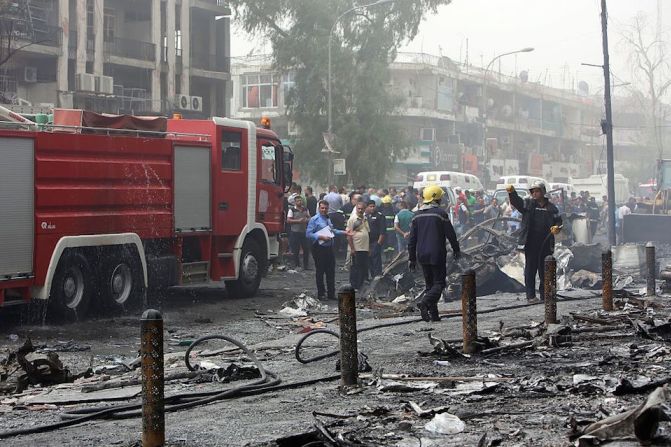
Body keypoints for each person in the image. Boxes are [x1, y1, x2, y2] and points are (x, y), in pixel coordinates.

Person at [408, 185, 461, 322]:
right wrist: (456, 250)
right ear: (436, 198)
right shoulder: (440, 214)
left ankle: (434, 315)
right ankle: (424, 303)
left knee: (430, 285)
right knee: (439, 283)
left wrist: (412, 258)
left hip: (422, 255)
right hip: (437, 253)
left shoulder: (416, 216)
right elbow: (451, 235)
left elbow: (412, 240)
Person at [507, 181, 562, 302]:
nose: (534, 194)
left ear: (543, 192)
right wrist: (512, 193)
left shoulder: (551, 208)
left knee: (545, 270)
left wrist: (557, 227)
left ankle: (545, 294)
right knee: (530, 269)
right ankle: (531, 296)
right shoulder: (528, 204)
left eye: (537, 191)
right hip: (530, 242)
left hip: (546, 243)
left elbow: (559, 221)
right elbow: (517, 202)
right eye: (533, 191)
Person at [306, 200, 349, 300]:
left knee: (331, 271)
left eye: (326, 208)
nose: (324, 210)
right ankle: (321, 293)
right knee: (320, 271)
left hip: (329, 247)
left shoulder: (328, 219)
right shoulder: (314, 219)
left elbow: (332, 231)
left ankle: (331, 293)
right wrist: (320, 237)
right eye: (322, 208)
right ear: (319, 208)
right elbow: (308, 234)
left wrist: (344, 232)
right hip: (319, 248)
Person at [346, 201, 369, 290]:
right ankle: (354, 285)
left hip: (365, 247)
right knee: (355, 267)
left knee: (363, 267)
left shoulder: (365, 219)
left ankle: (360, 284)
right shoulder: (352, 219)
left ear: (364, 209)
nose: (360, 210)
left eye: (362, 209)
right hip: (356, 247)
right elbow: (349, 235)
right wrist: (352, 248)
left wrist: (368, 247)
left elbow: (367, 232)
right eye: (358, 208)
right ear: (356, 208)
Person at [286, 196, 311, 269]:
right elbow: (288, 220)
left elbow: (309, 217)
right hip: (295, 232)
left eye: (300, 201)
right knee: (295, 250)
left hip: (303, 232)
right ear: (295, 202)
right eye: (298, 201)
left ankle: (306, 265)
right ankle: (297, 265)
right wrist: (298, 221)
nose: (299, 202)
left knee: (306, 249)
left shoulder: (305, 209)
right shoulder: (292, 210)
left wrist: (306, 220)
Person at [365, 200, 386, 278]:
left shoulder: (379, 216)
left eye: (373, 206)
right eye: (370, 206)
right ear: (367, 207)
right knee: (369, 261)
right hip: (367, 243)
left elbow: (382, 231)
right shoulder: (365, 216)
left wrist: (378, 243)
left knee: (376, 261)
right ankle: (372, 278)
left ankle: (377, 278)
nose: (372, 208)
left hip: (375, 241)